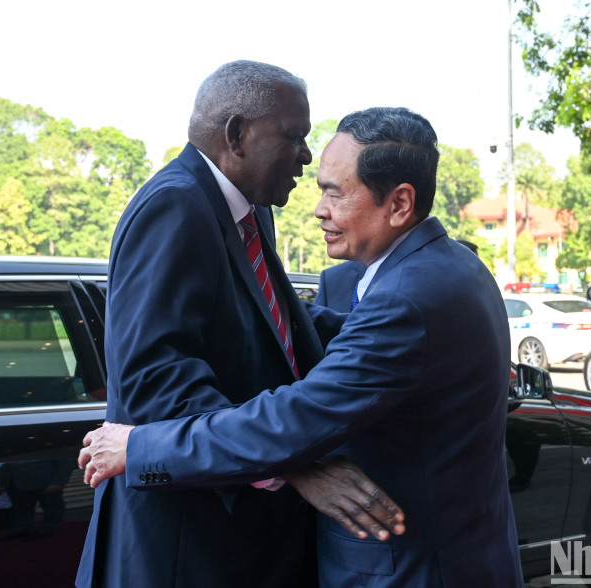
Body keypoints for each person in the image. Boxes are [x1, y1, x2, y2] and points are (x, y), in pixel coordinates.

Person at [80, 107, 523, 586]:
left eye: (335, 192)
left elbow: (294, 419)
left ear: (398, 204)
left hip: (412, 570)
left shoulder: (404, 301)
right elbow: (350, 337)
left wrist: (140, 447)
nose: (319, 209)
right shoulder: (455, 266)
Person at [77, 62, 402, 588]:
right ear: (237, 135)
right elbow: (153, 386)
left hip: (245, 538)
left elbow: (278, 323)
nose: (305, 156)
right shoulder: (175, 207)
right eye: (295, 137)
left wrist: (392, 334)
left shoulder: (250, 211)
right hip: (189, 546)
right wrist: (294, 467)